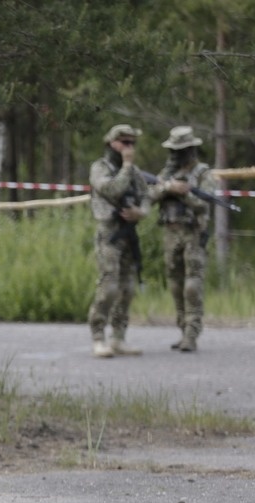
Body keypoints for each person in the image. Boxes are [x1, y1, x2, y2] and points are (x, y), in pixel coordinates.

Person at [148, 126, 217, 353]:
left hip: (193, 232)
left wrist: (184, 193)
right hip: (171, 232)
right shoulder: (167, 173)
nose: (176, 155)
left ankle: (192, 332)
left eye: (181, 150)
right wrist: (169, 186)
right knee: (176, 284)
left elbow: (204, 203)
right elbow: (150, 195)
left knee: (192, 284)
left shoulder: (203, 173)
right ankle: (182, 328)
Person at [87, 124, 151, 358]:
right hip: (109, 234)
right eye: (124, 142)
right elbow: (112, 189)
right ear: (111, 143)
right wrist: (126, 166)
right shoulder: (100, 168)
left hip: (128, 234)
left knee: (128, 288)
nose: (129, 148)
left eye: (132, 143)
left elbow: (146, 196)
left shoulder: (134, 171)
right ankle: (98, 337)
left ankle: (118, 337)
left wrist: (140, 212)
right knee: (109, 287)